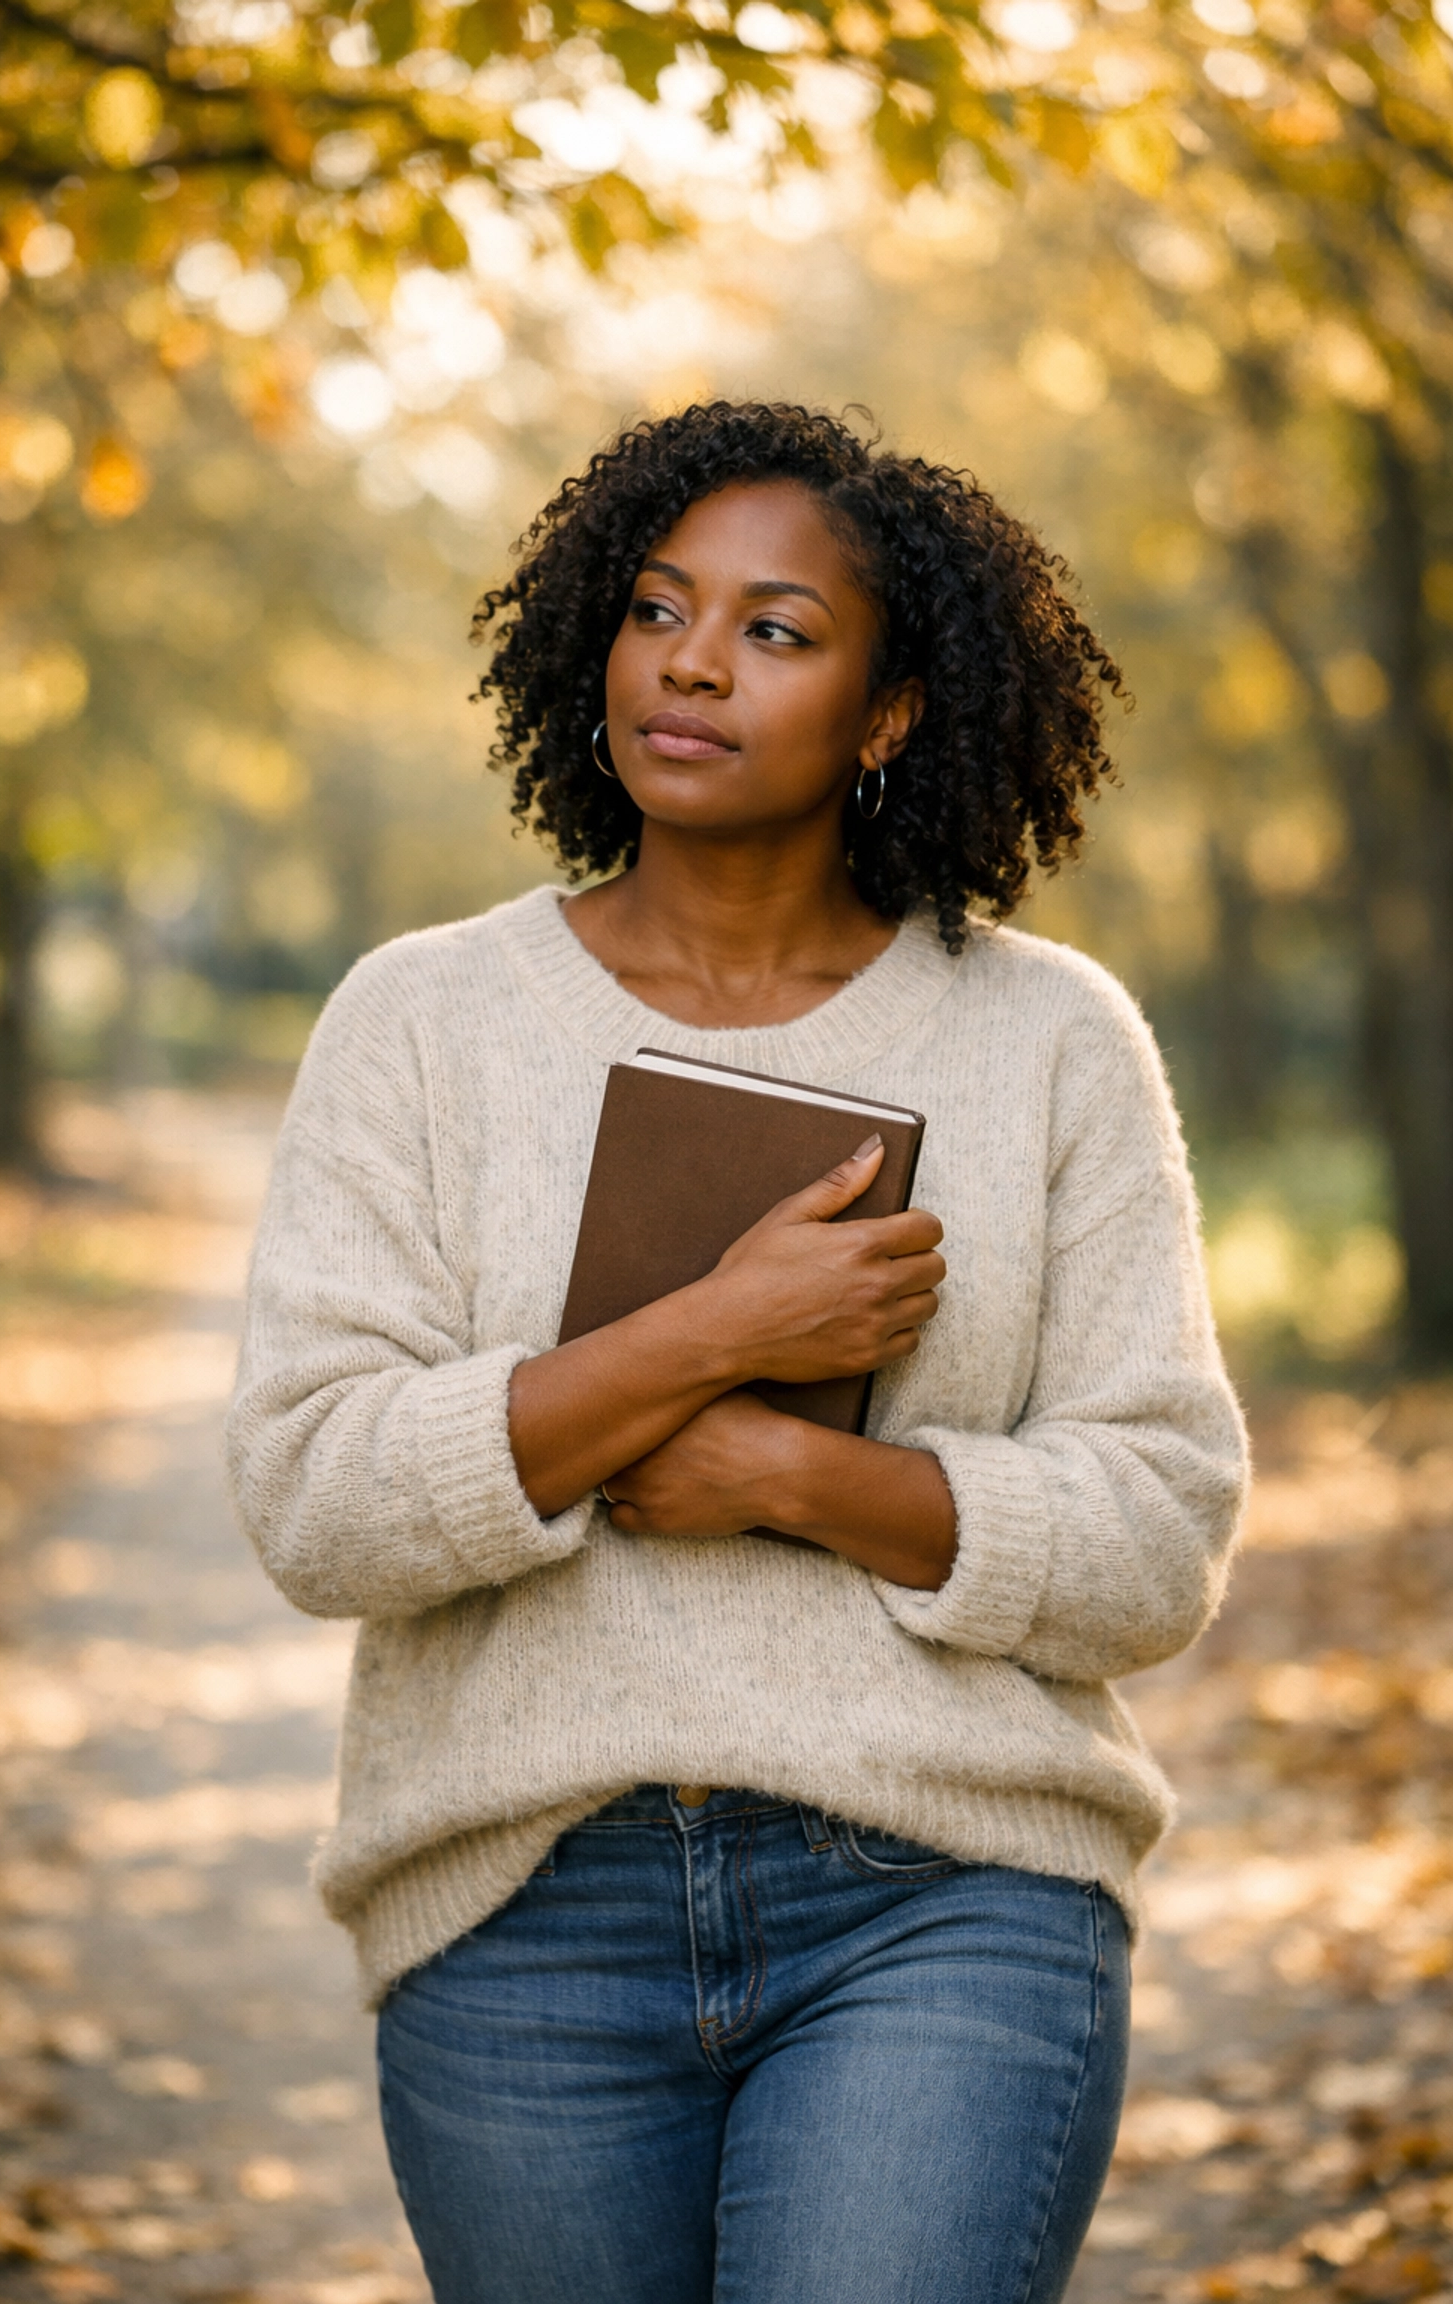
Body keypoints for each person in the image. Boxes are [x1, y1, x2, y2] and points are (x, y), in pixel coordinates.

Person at [227, 400, 1248, 2304]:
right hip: (524, 1903)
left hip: (947, 1892)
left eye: (778, 630)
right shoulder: (423, 1023)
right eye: (657, 608)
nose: (694, 661)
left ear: (890, 712)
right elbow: (315, 1497)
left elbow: (1158, 1538)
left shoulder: (1047, 1039)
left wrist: (793, 1474)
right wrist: (720, 1332)